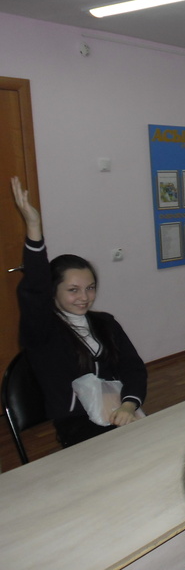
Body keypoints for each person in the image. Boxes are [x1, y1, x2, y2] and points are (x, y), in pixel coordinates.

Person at [11, 176, 147, 447]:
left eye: (90, 288)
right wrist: (34, 227)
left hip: (120, 412)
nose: (84, 297)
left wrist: (129, 405)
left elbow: (133, 367)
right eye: (73, 290)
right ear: (53, 291)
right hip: (78, 426)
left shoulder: (105, 323)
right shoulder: (43, 331)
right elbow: (34, 291)